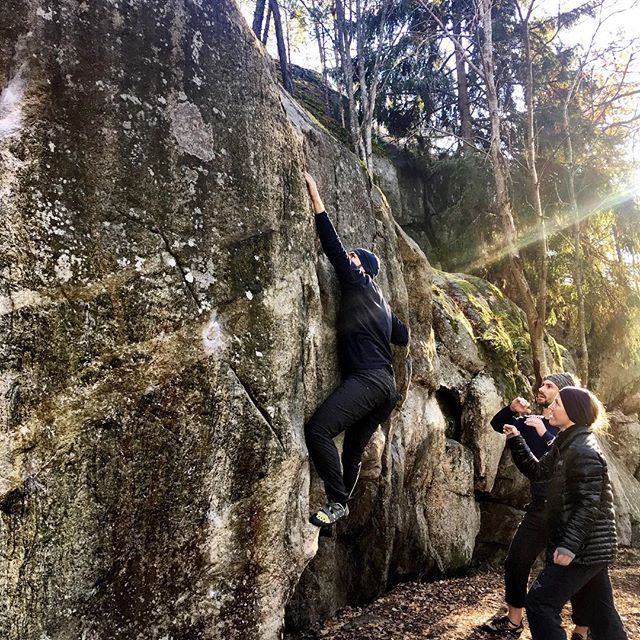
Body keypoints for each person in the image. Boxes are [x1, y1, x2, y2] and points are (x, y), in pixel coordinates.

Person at [303, 172, 409, 527]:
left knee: (318, 430)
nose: (347, 260)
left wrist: (316, 197)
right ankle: (340, 510)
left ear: (361, 267)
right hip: (386, 390)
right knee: (352, 449)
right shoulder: (383, 305)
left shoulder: (358, 281)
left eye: (353, 258)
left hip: (368, 381)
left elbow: (332, 247)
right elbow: (403, 337)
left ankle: (337, 502)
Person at [503, 386, 627, 640]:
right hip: (591, 548)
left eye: (557, 403)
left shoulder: (583, 450)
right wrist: (516, 439)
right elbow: (539, 472)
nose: (551, 407)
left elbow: (588, 505)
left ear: (572, 411)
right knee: (602, 617)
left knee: (539, 603)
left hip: (585, 549)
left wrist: (568, 546)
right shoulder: (566, 442)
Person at [484, 373, 590, 640]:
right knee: (517, 560)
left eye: (549, 386)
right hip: (539, 506)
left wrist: (544, 433)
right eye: (542, 384)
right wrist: (512, 411)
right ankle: (514, 619)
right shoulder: (534, 421)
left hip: (566, 511)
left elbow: (563, 459)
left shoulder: (570, 431)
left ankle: (582, 628)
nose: (541, 389)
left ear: (565, 396)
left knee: (574, 569)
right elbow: (497, 424)